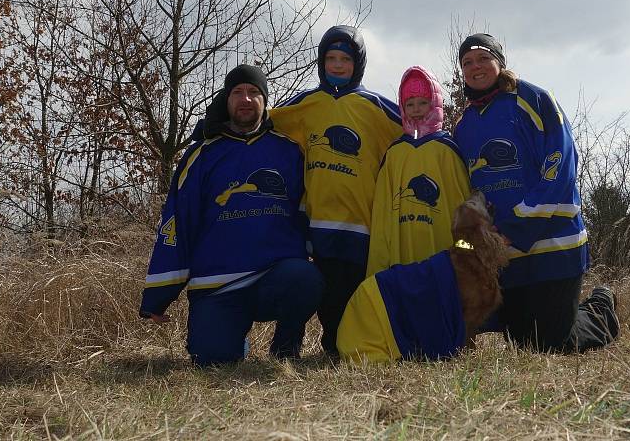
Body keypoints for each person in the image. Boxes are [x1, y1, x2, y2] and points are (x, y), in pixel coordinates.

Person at [223, 26, 403, 355]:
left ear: (358, 63)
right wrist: (211, 125)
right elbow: (260, 123)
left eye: (345, 59)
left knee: (353, 293)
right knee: (319, 291)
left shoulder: (376, 108)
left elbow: (418, 128)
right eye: (330, 58)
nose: (336, 65)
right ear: (320, 62)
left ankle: (349, 348)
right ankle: (309, 347)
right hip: (317, 223)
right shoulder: (306, 104)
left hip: (363, 223)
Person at [140, 65, 323, 366]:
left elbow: (308, 211)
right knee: (212, 360)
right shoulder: (202, 155)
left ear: (265, 102)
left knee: (307, 279)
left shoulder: (290, 151)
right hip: (217, 286)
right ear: (226, 99)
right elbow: (178, 224)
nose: (246, 99)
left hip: (274, 277)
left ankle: (285, 351)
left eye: (254, 92)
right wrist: (158, 297)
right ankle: (231, 337)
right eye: (238, 92)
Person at [453, 33, 619, 352]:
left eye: (483, 58)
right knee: (523, 342)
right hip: (505, 252)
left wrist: (519, 224)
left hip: (554, 245)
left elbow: (560, 161)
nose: (475, 67)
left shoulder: (532, 98)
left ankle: (601, 307)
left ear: (500, 63)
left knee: (551, 344)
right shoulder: (464, 125)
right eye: (467, 62)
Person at [366, 65, 471, 277]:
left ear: (435, 104)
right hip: (400, 259)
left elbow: (464, 208)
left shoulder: (448, 150)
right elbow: (382, 216)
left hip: (444, 259)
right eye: (410, 103)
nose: (416, 108)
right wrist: (377, 270)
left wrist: (466, 255)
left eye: (423, 102)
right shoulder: (394, 154)